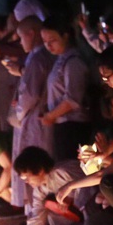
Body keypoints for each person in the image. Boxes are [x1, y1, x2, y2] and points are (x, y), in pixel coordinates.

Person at [12, 146, 91, 225]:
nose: (27, 182)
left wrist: (70, 197)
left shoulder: (62, 172)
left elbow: (88, 188)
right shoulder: (39, 190)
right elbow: (35, 220)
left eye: (27, 178)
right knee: (49, 213)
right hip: (79, 217)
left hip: (96, 206)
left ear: (40, 170)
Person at [7, 15, 55, 207]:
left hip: (33, 119)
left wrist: (16, 113)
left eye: (21, 37)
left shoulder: (37, 58)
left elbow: (30, 93)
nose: (20, 42)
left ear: (31, 33)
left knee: (32, 167)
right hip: (35, 117)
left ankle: (36, 211)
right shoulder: (40, 57)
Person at [40, 19, 92, 162]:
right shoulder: (60, 60)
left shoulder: (73, 62)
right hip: (62, 124)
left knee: (73, 169)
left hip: (73, 127)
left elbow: (73, 99)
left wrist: (50, 115)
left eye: (52, 40)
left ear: (65, 36)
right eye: (44, 41)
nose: (48, 45)